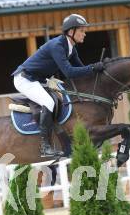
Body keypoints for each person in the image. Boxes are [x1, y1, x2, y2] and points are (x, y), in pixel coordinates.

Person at [12, 14, 105, 157]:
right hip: (25, 79)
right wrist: (92, 67)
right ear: (71, 31)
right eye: (82, 30)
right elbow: (69, 72)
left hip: (39, 80)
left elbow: (81, 70)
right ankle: (45, 146)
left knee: (60, 99)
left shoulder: (71, 48)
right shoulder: (57, 46)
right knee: (48, 102)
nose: (84, 34)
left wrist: (98, 73)